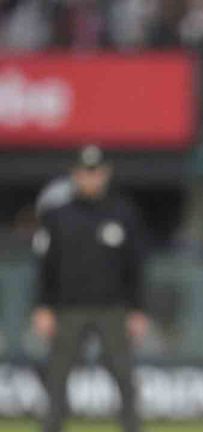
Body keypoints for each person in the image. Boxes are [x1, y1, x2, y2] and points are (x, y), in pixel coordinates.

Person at [31, 145, 148, 432]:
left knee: (124, 377)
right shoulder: (57, 215)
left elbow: (136, 267)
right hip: (68, 308)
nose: (90, 178)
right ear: (74, 174)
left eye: (95, 172)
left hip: (113, 309)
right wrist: (43, 306)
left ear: (105, 173)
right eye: (84, 172)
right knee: (57, 377)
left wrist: (137, 309)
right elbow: (46, 266)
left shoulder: (123, 213)